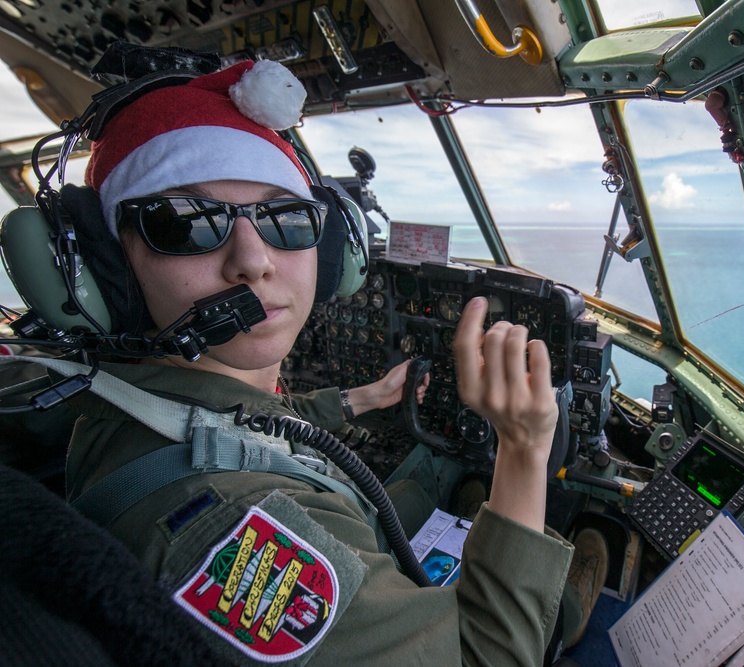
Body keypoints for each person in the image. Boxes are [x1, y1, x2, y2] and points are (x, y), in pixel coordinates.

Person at [50, 57, 606, 665]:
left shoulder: (123, 398)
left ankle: (480, 515)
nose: (252, 259)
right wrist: (523, 450)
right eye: (185, 224)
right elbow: (487, 658)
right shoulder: (237, 524)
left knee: (427, 492)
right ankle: (565, 617)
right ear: (106, 269)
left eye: (283, 217)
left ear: (332, 248)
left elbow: (240, 424)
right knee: (487, 528)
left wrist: (360, 399)